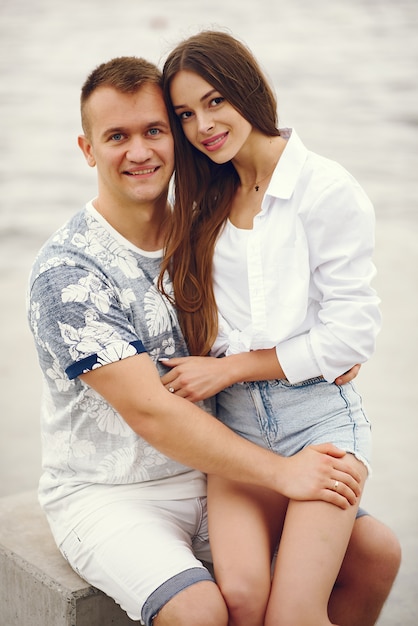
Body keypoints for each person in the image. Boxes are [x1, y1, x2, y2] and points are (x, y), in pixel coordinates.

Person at [26, 56, 399, 626]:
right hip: (115, 492)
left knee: (376, 556)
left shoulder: (206, 231)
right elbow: (153, 412)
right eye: (116, 136)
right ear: (87, 149)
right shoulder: (69, 272)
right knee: (203, 611)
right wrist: (283, 472)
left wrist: (323, 354)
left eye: (154, 131)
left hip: (215, 465)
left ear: (176, 140)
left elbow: (297, 306)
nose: (140, 151)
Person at [159, 30, 400, 626]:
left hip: (317, 422)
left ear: (249, 89)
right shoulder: (204, 198)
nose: (203, 126)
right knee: (240, 599)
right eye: (186, 114)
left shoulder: (326, 189)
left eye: (215, 101)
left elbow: (349, 336)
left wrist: (235, 367)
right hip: (236, 430)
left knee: (294, 612)